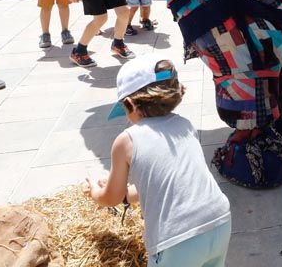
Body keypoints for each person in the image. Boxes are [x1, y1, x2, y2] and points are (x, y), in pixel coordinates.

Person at [84, 59, 231, 267]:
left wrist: (95, 192)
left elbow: (110, 197)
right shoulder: (185, 126)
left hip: (177, 238)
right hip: (219, 221)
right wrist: (128, 194)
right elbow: (166, 183)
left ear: (131, 104)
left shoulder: (126, 142)